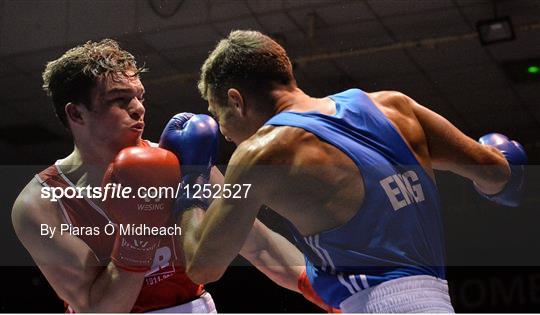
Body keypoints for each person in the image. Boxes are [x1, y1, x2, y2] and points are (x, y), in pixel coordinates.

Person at [175, 30, 528, 313]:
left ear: (236, 100)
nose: (225, 135)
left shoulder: (261, 153)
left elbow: (203, 267)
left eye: (221, 117)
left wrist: (191, 178)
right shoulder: (395, 106)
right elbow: (499, 176)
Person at [11, 39, 329, 313]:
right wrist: (138, 233)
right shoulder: (40, 203)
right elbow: (98, 308)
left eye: (140, 96)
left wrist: (327, 292)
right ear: (76, 113)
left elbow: (257, 244)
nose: (138, 108)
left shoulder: (180, 161)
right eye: (120, 100)